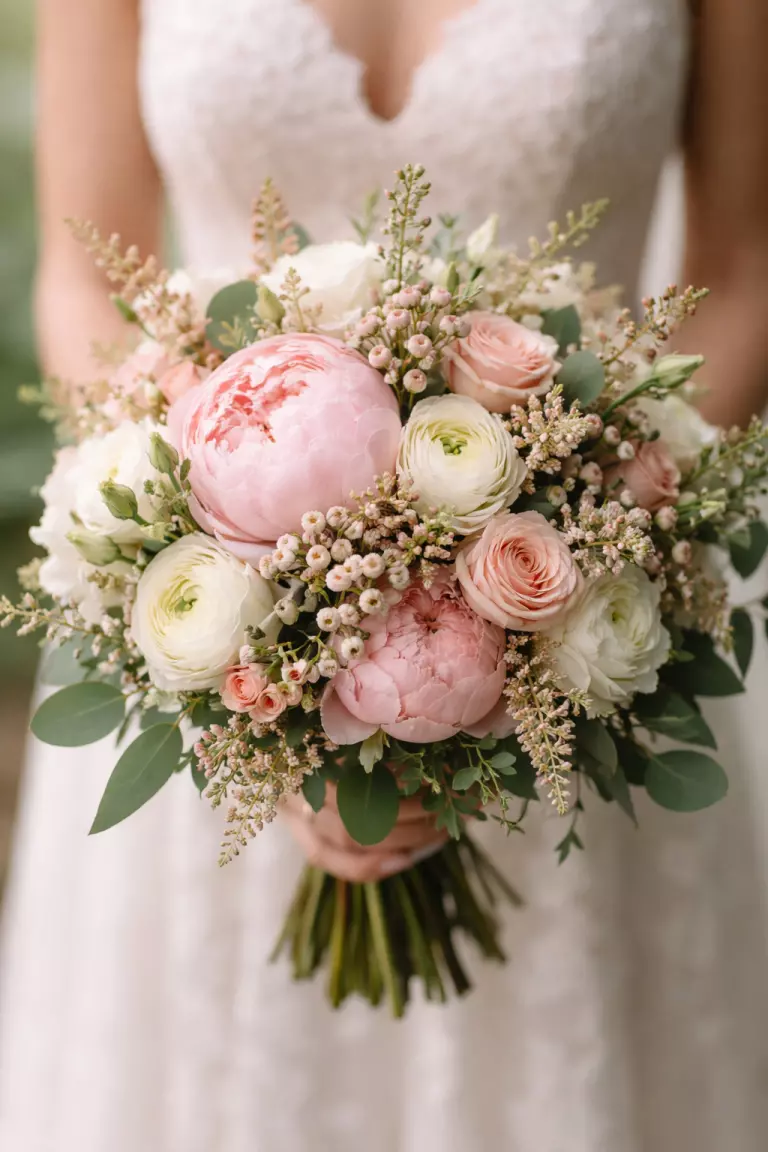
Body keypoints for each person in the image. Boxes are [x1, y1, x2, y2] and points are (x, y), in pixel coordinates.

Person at [1, 1, 768, 1148]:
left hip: (584, 679)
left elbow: (743, 269)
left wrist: (573, 573)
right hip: (209, 688)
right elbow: (82, 273)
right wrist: (258, 681)